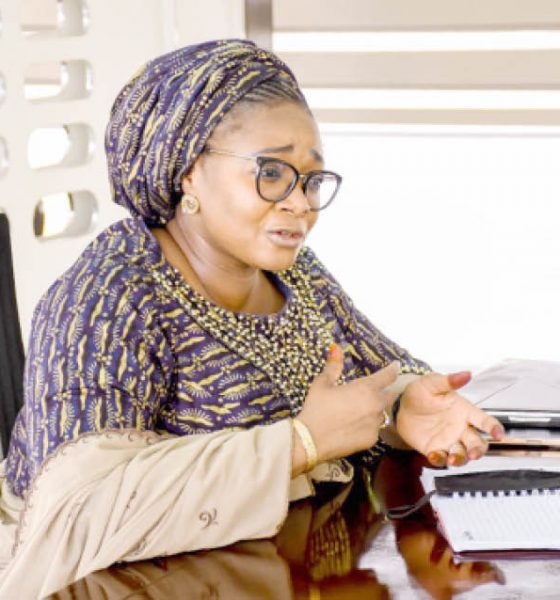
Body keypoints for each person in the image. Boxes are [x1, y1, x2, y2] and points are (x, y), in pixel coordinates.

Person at [0, 39, 504, 597]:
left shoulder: (295, 274)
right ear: (189, 170)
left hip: (283, 571)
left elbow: (375, 374)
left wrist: (404, 404)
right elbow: (74, 514)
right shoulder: (108, 298)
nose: (300, 204)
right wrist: (300, 444)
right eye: (271, 172)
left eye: (311, 180)